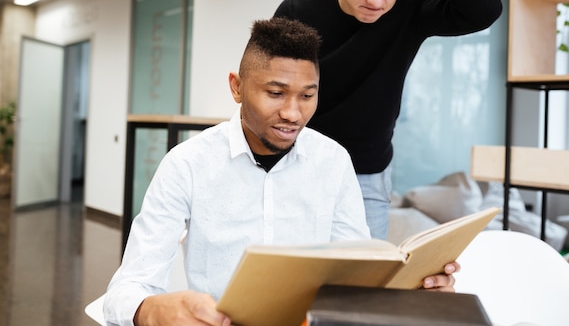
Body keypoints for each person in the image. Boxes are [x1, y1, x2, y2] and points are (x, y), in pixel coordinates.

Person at [104, 17, 459, 326]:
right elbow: (126, 289)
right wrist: (150, 311)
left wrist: (414, 287)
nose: (293, 113)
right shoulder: (187, 164)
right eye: (276, 93)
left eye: (307, 96)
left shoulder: (333, 162)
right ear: (237, 87)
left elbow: (356, 274)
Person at [274, 0, 503, 240]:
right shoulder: (298, 11)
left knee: (363, 288)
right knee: (290, 281)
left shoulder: (409, 6)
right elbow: (268, 95)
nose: (377, 0)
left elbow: (484, 9)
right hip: (298, 167)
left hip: (368, 176)